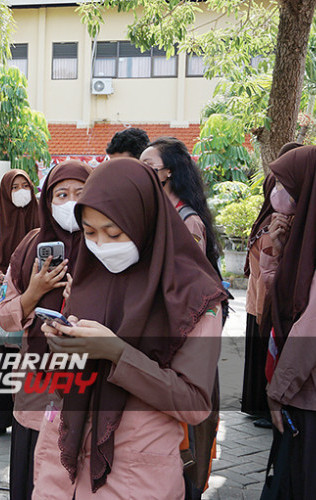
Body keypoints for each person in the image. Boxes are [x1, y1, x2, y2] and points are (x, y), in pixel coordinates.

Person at [31, 158, 226, 499]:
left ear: (143, 221)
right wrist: (65, 346)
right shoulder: (89, 276)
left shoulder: (194, 295)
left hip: (136, 476)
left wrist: (116, 352)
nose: (102, 245)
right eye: (89, 233)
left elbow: (194, 403)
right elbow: (68, 382)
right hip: (63, 470)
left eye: (114, 232)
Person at [0, 159, 91, 499]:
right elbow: (4, 316)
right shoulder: (29, 247)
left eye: (80, 193)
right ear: (47, 203)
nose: (70, 203)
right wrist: (33, 293)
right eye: (61, 194)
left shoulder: (108, 245)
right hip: (36, 385)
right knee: (30, 478)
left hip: (88, 386)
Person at [140, 136, 225, 498]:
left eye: (149, 166)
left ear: (168, 172)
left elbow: (185, 293)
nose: (143, 173)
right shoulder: (164, 214)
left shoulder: (187, 223)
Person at [258, 146, 316, 499]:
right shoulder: (302, 230)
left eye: (284, 183)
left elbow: (310, 326)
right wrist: (275, 251)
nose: (276, 190)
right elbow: (282, 298)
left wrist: (278, 391)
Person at [0, 169, 40, 439]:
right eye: (15, 186)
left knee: (31, 356)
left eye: (25, 185)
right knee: (1, 357)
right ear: (5, 191)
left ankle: (27, 418)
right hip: (8, 294)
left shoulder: (42, 215)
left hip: (39, 293)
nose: (21, 190)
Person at [241, 142, 302, 428]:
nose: (278, 192)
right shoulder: (275, 220)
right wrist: (275, 250)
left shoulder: (302, 229)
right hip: (262, 302)